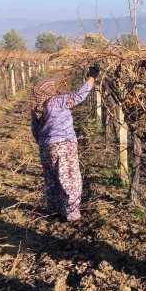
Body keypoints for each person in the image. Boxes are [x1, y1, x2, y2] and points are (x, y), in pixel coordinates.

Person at [30, 63, 100, 222]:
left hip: (45, 147)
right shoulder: (57, 101)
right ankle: (72, 214)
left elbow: (35, 131)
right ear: (49, 91)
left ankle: (55, 210)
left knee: (52, 179)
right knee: (70, 179)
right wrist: (92, 77)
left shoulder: (36, 108)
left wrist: (44, 143)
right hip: (63, 145)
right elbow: (79, 96)